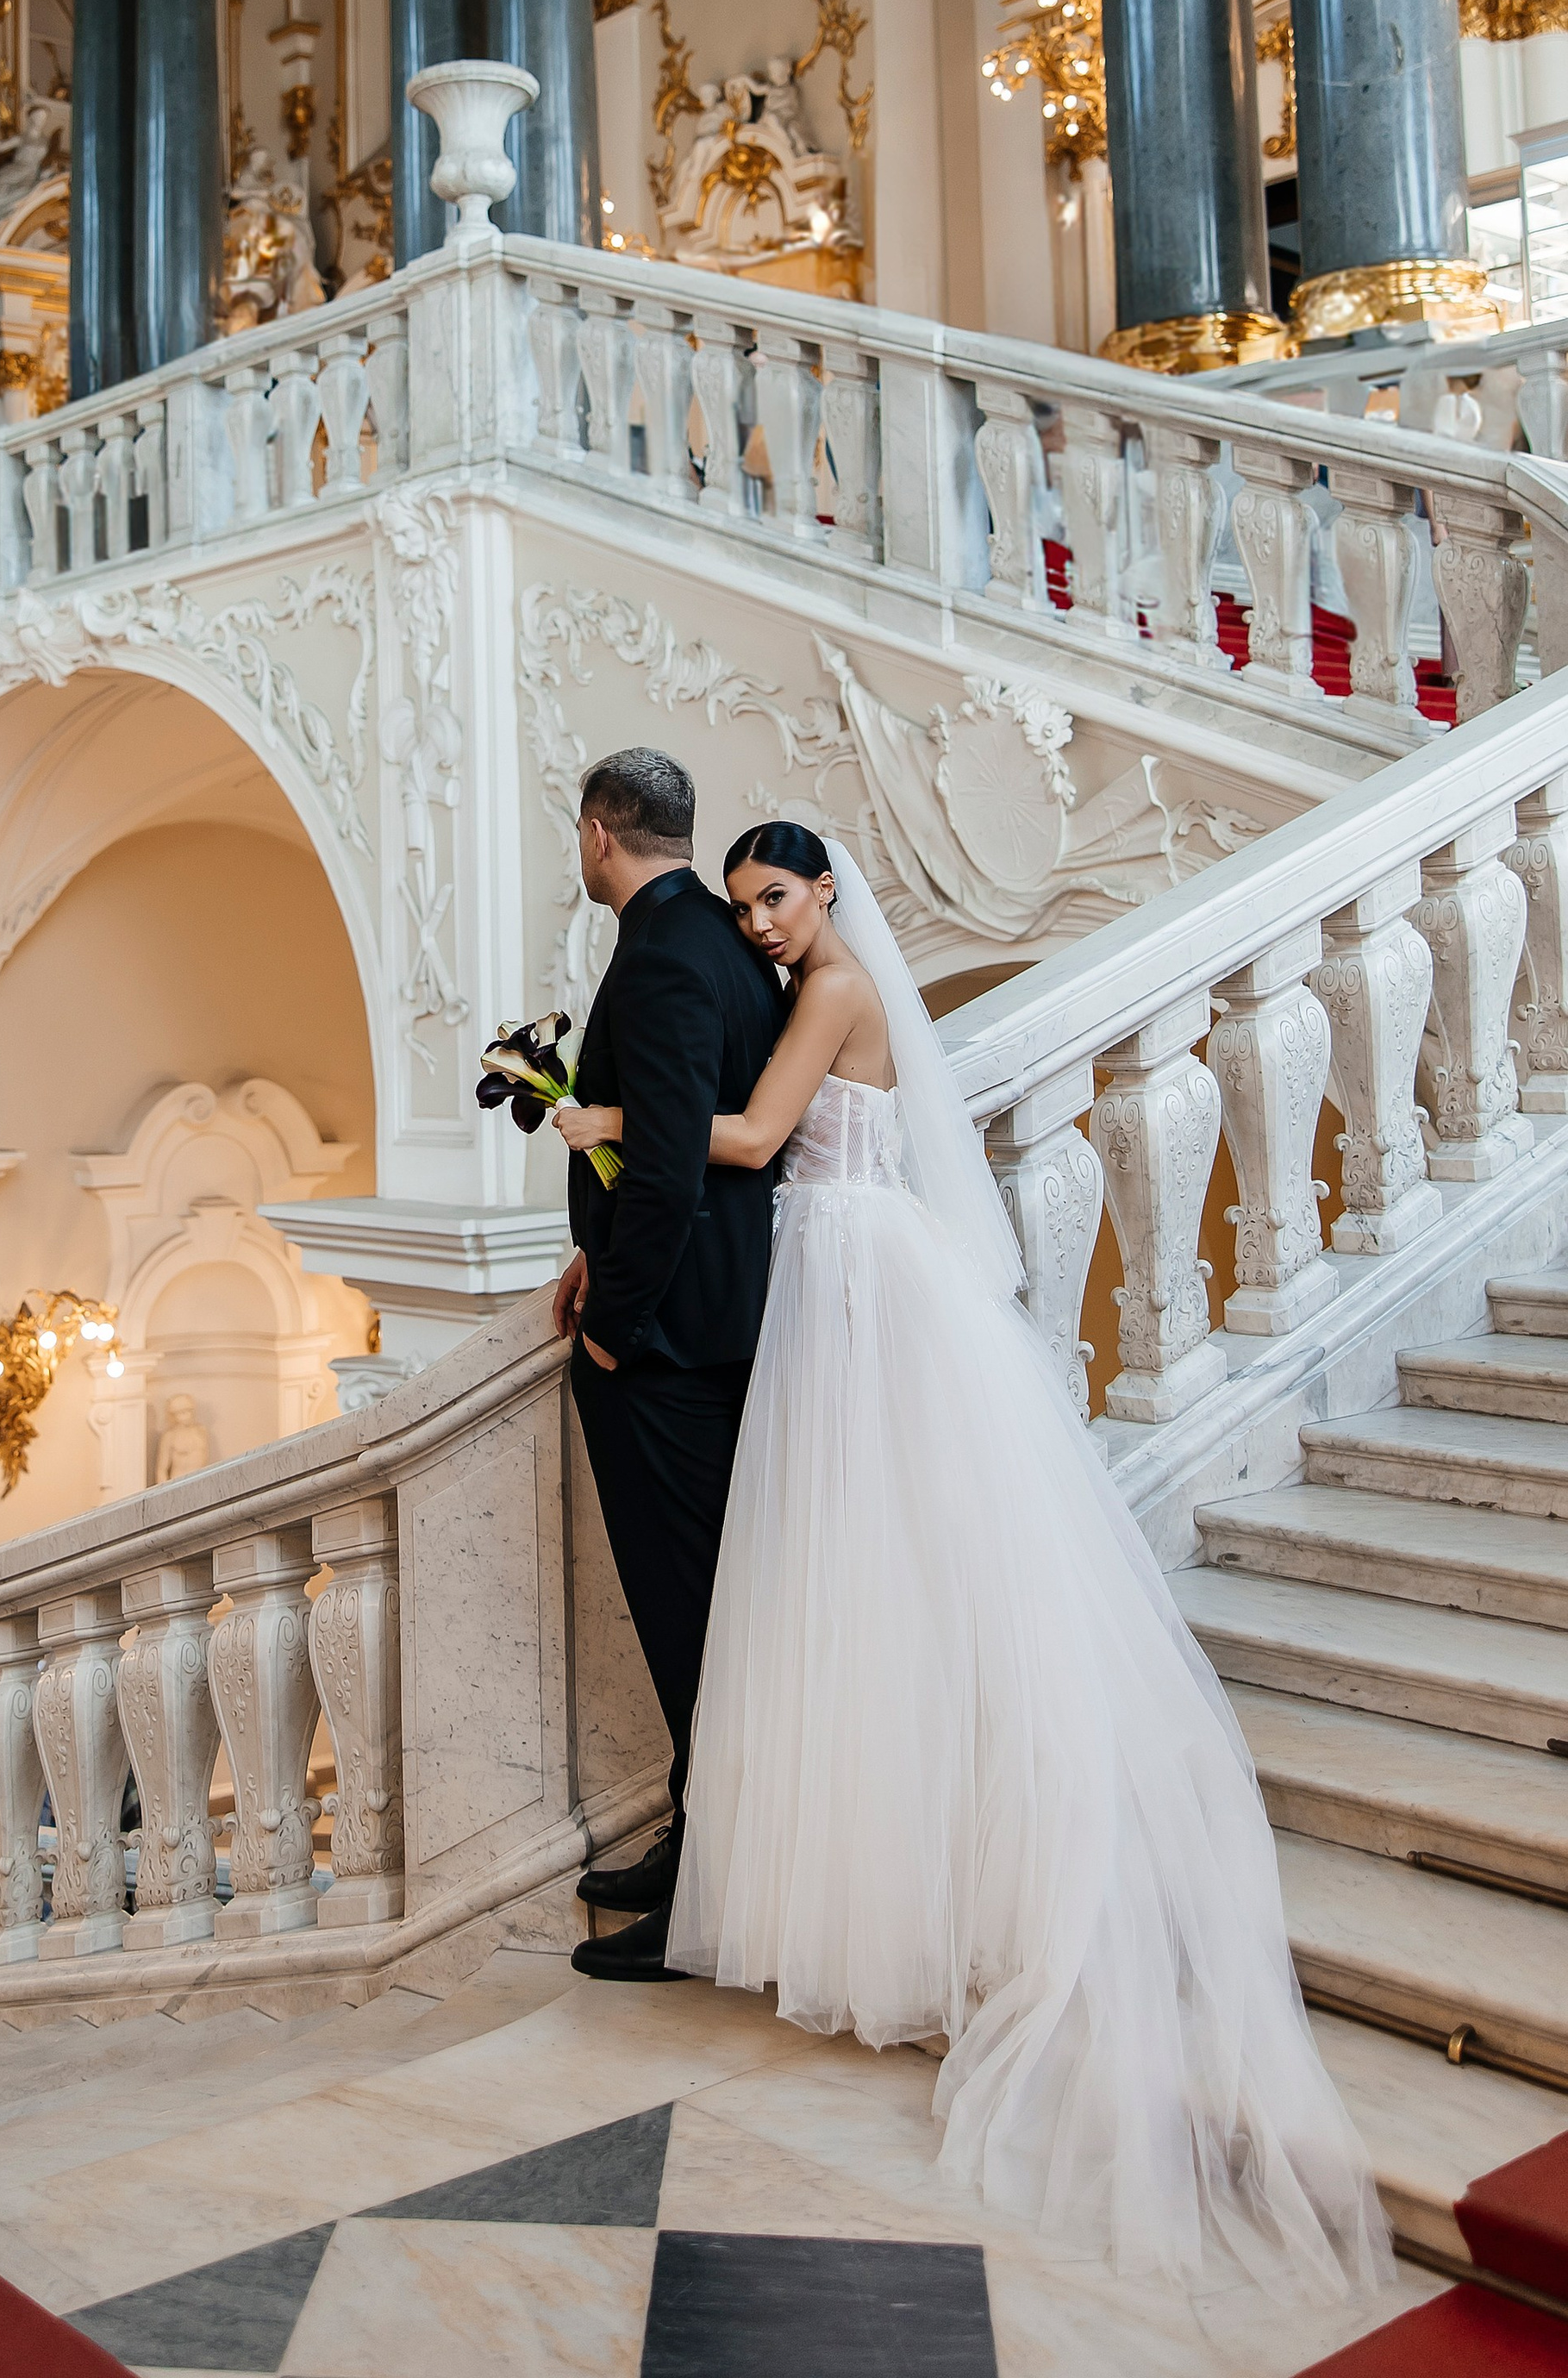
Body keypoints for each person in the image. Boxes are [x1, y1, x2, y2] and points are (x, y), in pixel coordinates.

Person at [556, 821, 1390, 2297]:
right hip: (833, 1268)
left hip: (848, 1272)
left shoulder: (829, 989)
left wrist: (591, 1117)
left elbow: (745, 1141)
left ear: (825, 892)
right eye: (744, 901)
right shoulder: (808, 980)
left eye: (776, 897)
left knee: (870, 1563)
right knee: (850, 1574)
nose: (756, 922)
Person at [550, 749, 785, 1985]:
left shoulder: (666, 956)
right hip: (699, 1318)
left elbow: (674, 1166)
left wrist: (612, 1325)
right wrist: (595, 1263)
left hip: (677, 1345)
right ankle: (693, 1838)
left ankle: (709, 1889)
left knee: (695, 1623)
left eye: (577, 836)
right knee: (699, 1614)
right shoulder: (723, 936)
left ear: (600, 834)